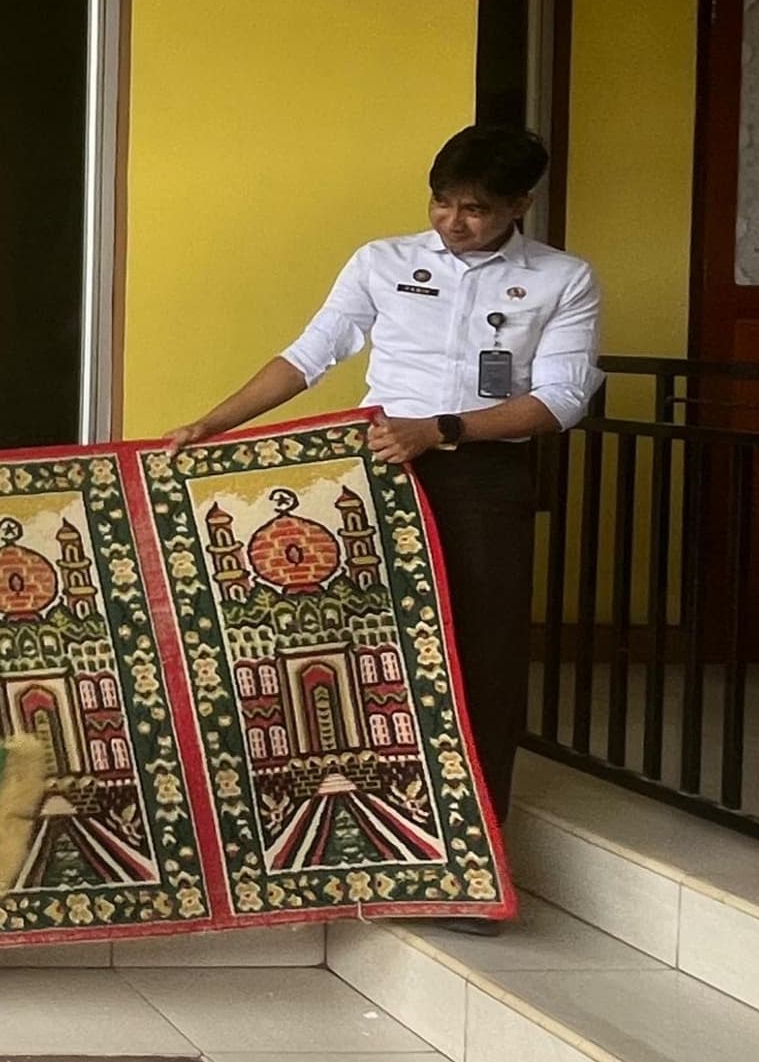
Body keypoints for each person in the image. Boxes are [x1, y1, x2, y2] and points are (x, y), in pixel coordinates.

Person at [166, 125, 600, 927]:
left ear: (520, 204)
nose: (452, 221)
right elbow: (309, 354)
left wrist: (441, 429)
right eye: (441, 202)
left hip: (482, 479)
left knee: (480, 662)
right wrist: (212, 423)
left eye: (475, 208)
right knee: (364, 655)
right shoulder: (382, 261)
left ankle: (469, 868)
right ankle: (369, 848)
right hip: (373, 479)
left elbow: (560, 399)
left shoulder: (560, 278)